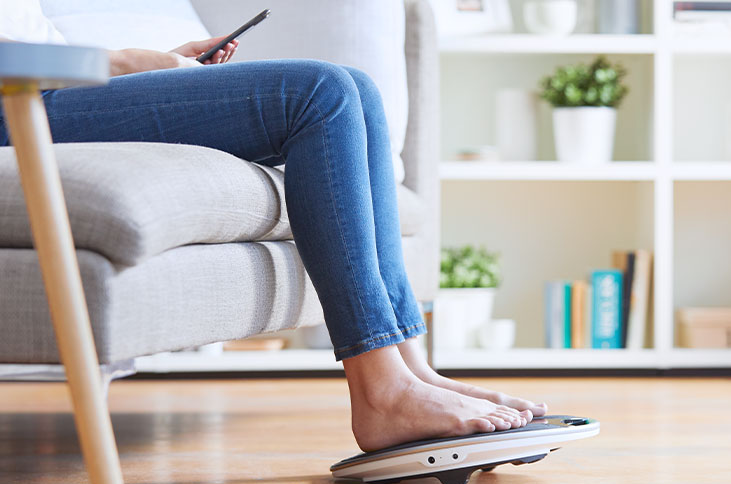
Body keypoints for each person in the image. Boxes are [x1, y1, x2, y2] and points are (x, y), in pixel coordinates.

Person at [0, 2, 547, 453]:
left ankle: (409, 368)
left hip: (50, 83)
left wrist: (137, 64)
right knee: (319, 92)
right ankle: (380, 393)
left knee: (358, 89)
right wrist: (121, 62)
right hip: (17, 100)